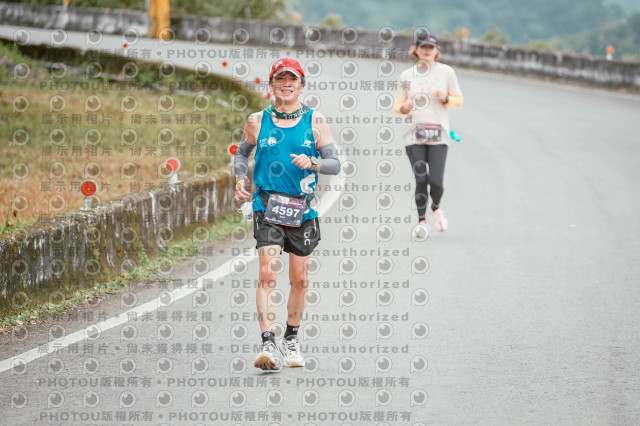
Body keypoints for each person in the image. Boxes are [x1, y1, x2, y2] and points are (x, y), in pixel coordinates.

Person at [233, 58, 341, 371]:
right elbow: (242, 153)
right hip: (267, 205)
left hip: (302, 208)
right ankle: (268, 344)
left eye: (291, 80)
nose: (286, 85)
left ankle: (290, 340)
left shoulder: (315, 121)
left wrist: (314, 163)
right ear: (271, 85)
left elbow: (335, 163)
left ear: (301, 86)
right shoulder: (257, 120)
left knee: (300, 279)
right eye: (279, 79)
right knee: (267, 274)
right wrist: (240, 178)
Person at [394, 33, 463, 236]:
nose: (426, 50)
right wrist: (405, 107)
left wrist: (446, 98)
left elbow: (458, 99)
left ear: (436, 50)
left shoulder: (446, 72)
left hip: (438, 134)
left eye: (430, 47)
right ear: (415, 50)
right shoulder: (407, 75)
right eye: (422, 47)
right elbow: (397, 104)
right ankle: (421, 221)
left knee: (436, 182)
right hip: (413, 134)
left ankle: (436, 207)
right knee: (421, 179)